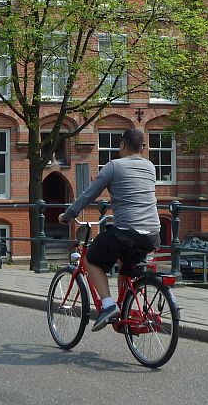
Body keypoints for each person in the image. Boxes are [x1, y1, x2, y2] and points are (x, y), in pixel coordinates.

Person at [58, 127, 160, 331]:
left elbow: (88, 196)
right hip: (153, 234)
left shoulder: (113, 166)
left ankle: (108, 305)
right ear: (142, 148)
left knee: (90, 260)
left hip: (126, 232)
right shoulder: (150, 167)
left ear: (122, 145)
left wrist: (67, 215)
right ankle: (124, 310)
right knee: (126, 266)